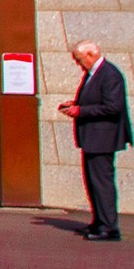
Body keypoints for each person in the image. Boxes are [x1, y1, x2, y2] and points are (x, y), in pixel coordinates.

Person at [61, 40, 127, 242]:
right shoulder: (94, 74)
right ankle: (99, 220)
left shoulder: (110, 74)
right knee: (93, 182)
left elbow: (113, 107)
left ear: (91, 55)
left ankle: (109, 226)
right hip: (93, 137)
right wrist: (75, 104)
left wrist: (81, 111)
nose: (79, 65)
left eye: (80, 60)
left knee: (102, 182)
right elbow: (96, 100)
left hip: (103, 138)